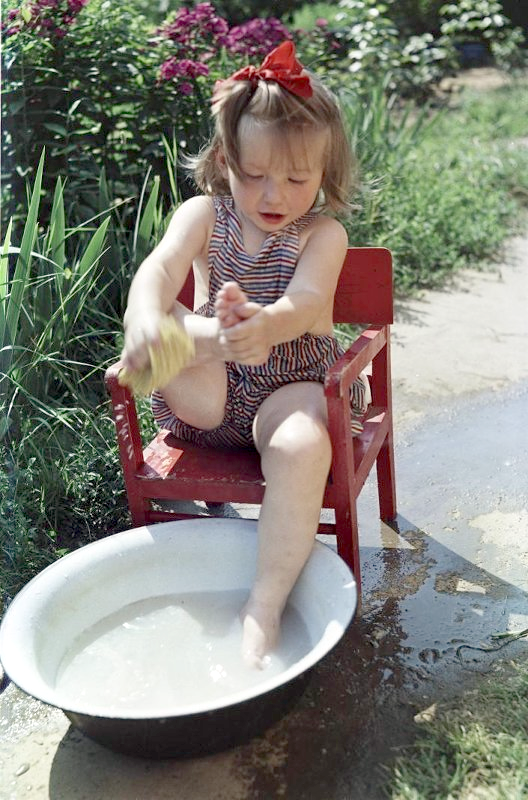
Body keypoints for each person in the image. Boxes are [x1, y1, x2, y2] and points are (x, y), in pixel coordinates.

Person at [121, 41, 369, 668]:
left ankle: (264, 601)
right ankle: (179, 343)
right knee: (164, 322)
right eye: (254, 173)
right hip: (209, 395)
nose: (274, 192)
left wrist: (266, 323)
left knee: (301, 442)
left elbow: (308, 303)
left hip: (288, 387)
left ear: (325, 173)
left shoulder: (323, 233)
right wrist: (150, 318)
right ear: (227, 158)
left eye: (296, 177)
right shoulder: (204, 213)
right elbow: (158, 268)